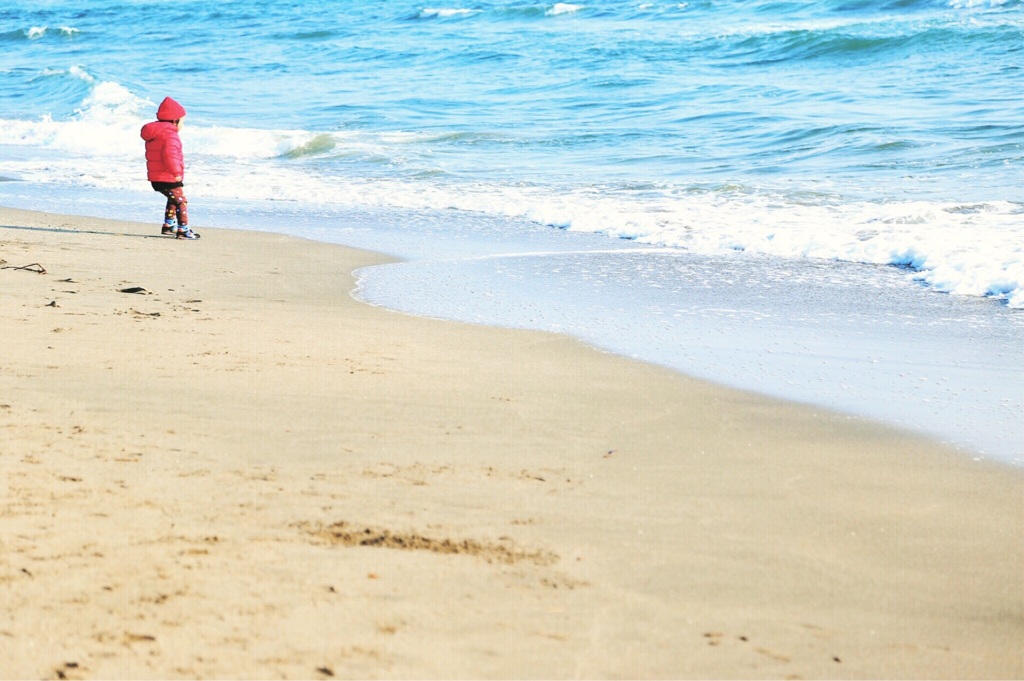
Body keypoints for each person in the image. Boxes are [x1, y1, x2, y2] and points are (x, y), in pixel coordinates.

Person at [140, 97, 199, 239]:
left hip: (157, 177)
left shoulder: (157, 133)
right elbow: (170, 156)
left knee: (173, 199)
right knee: (181, 201)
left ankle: (169, 225)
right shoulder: (170, 135)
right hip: (167, 176)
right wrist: (176, 173)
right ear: (175, 120)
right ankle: (183, 230)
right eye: (182, 121)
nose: (182, 125)